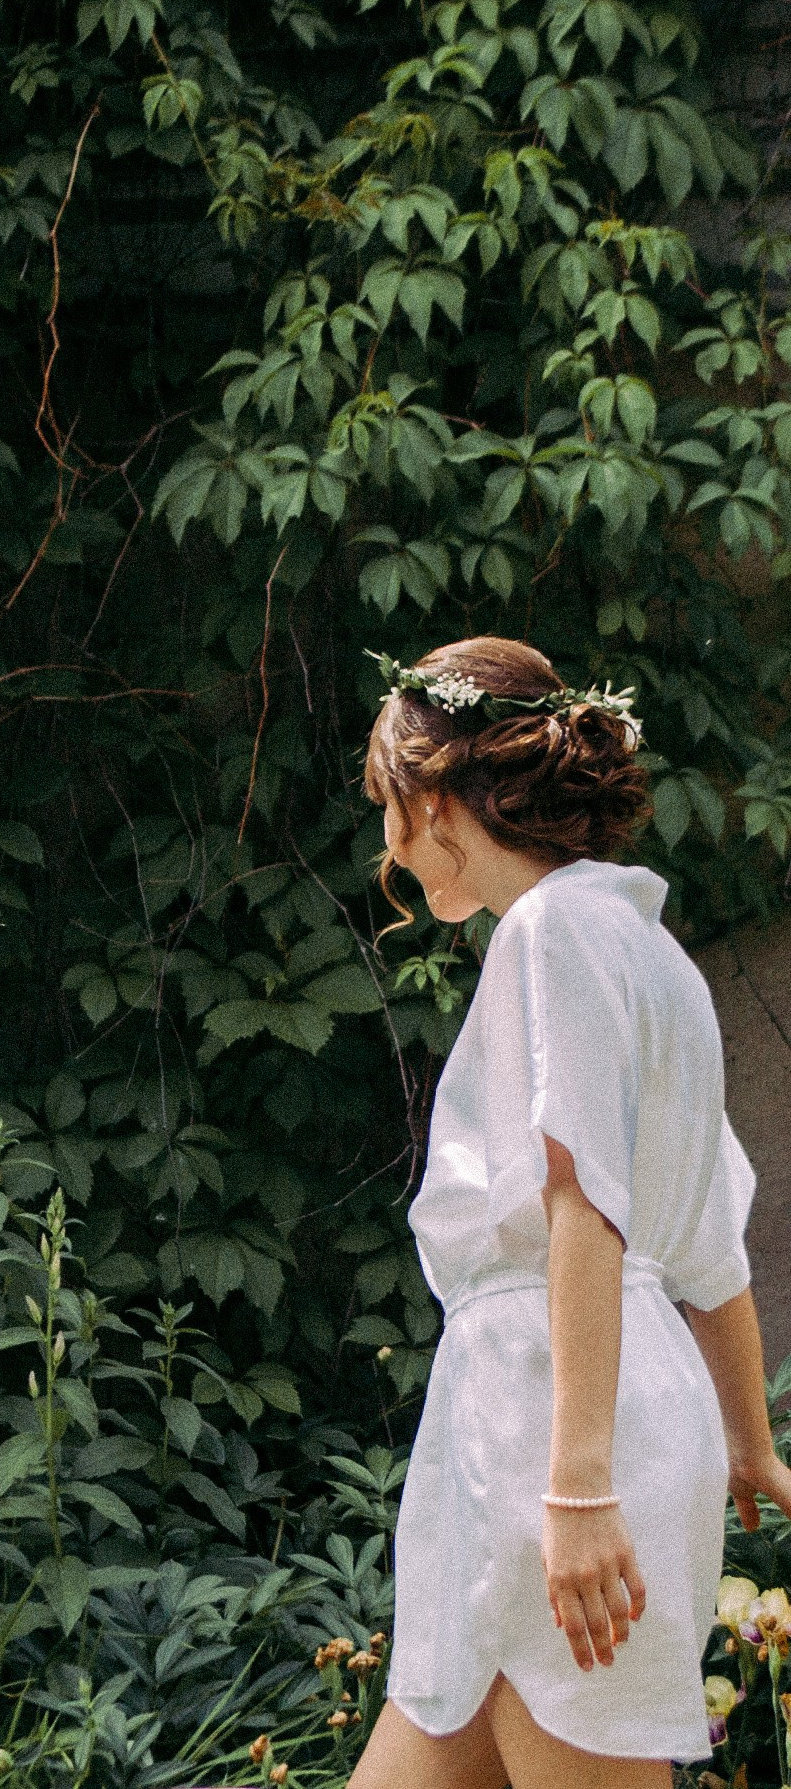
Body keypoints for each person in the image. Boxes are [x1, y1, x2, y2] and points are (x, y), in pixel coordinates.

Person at [346, 636, 789, 1789]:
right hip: (549, 1426)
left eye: (388, 807)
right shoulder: (646, 952)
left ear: (437, 799)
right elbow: (711, 1246)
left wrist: (581, 1487)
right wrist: (747, 1437)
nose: (387, 846)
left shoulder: (553, 932)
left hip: (562, 1432)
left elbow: (583, 1208)